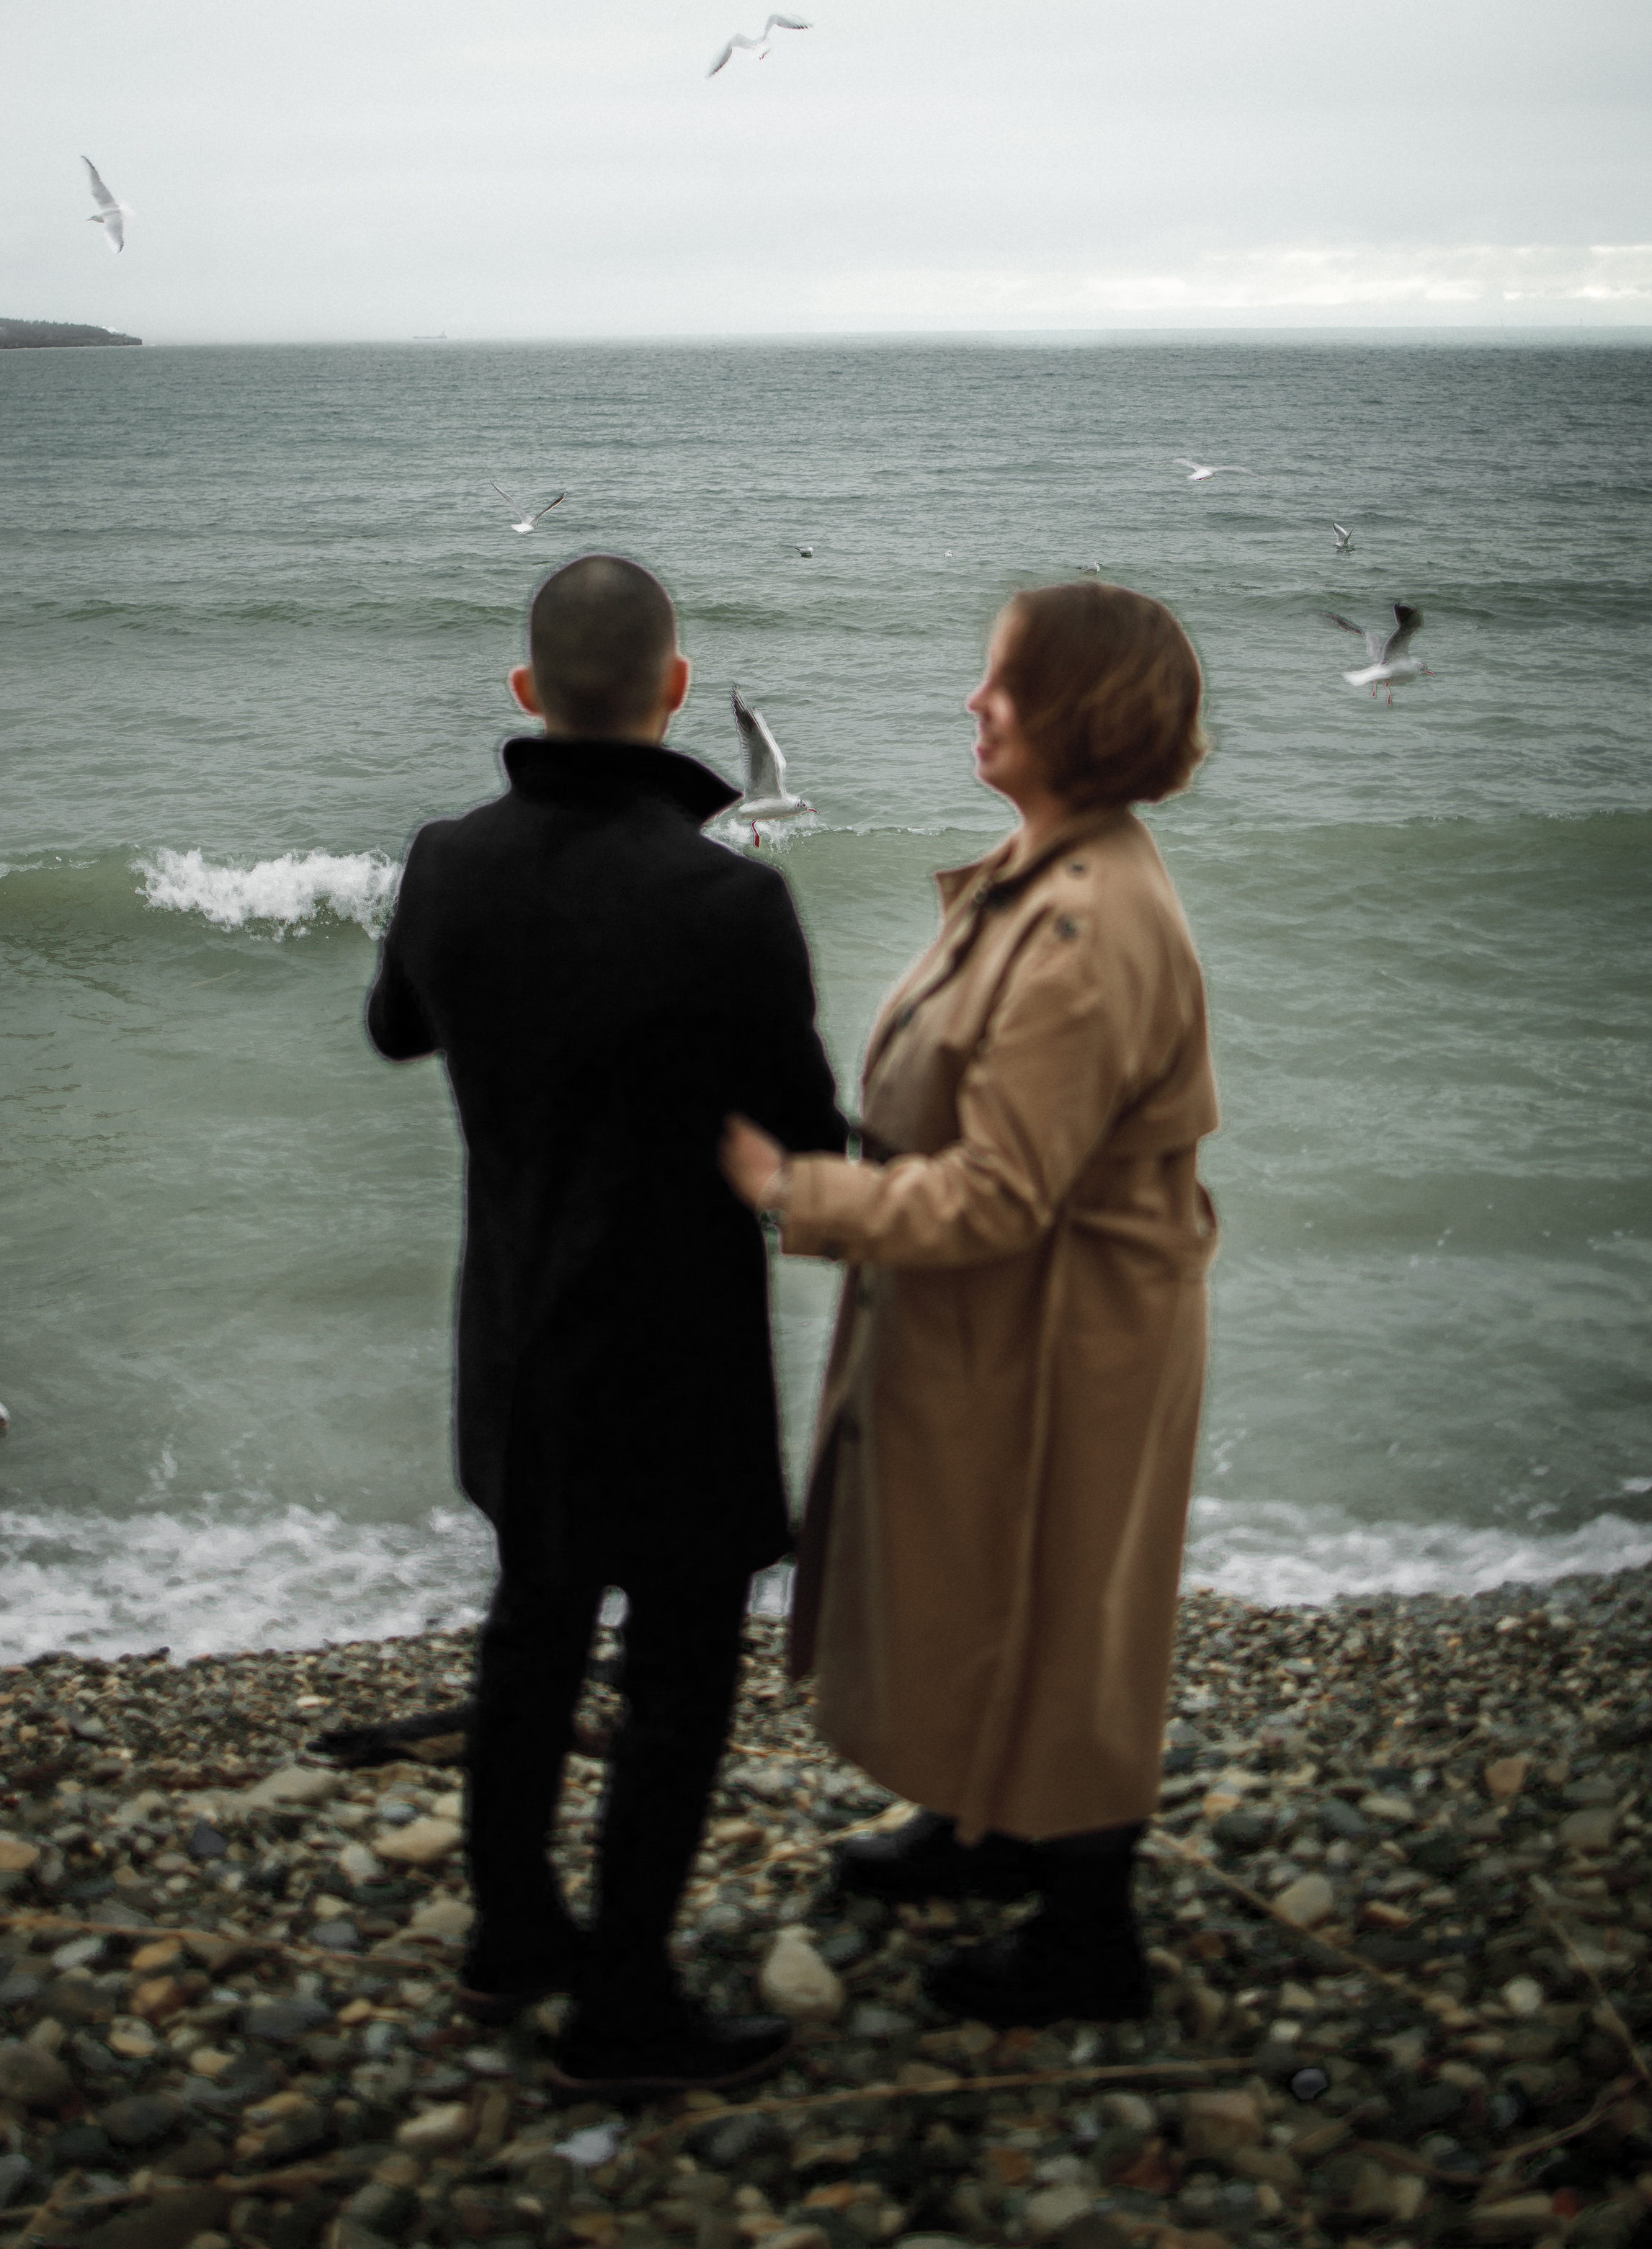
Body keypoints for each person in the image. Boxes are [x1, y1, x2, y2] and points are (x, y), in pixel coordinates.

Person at [367, 553, 848, 2094]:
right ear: (674, 692)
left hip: (514, 1340)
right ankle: (624, 2001)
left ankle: (514, 1933)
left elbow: (396, 1029)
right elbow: (808, 1144)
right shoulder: (729, 899)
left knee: (532, 1621)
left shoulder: (448, 860)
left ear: (525, 695)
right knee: (679, 1668)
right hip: (678, 1358)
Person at [720, 579, 1218, 2027]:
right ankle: (985, 1829)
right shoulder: (1058, 863)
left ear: (1070, 712)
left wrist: (785, 1189)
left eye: (995, 679)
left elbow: (1001, 1196)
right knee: (981, 1577)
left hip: (1067, 1334)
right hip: (1028, 1314)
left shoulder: (1077, 926)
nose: (969, 698)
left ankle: (1085, 1937)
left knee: (1057, 1602)